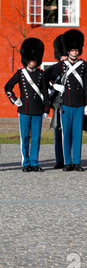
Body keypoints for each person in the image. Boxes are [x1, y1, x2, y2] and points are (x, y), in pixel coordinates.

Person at [46, 29, 87, 171]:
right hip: (65, 105)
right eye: (72, 50)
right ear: (68, 51)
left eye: (77, 50)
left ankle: (76, 162)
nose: (75, 52)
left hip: (79, 104)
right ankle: (67, 162)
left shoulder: (84, 65)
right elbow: (45, 77)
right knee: (65, 134)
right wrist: (54, 85)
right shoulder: (61, 65)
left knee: (77, 133)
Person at [4, 38, 49, 172]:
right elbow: (8, 87)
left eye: (35, 59)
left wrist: (46, 108)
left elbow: (45, 92)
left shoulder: (41, 74)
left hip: (37, 110)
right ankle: (26, 163)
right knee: (25, 138)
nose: (33, 61)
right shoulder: (20, 73)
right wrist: (14, 99)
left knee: (35, 138)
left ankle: (35, 163)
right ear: (26, 59)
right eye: (30, 59)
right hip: (24, 110)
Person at [46, 34, 67, 169]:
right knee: (58, 131)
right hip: (58, 104)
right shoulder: (54, 69)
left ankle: (69, 158)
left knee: (69, 132)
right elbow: (45, 81)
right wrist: (52, 87)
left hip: (70, 103)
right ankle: (60, 158)